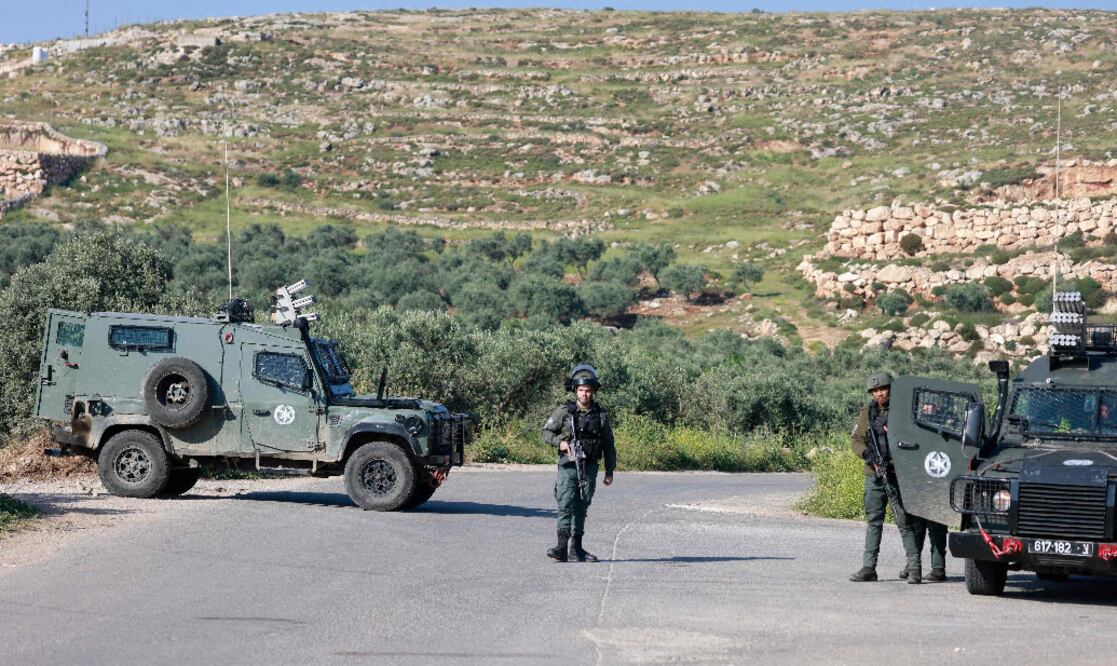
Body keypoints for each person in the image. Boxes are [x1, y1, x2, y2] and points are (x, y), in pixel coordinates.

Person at [849, 371, 924, 584]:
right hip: (874, 474)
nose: (879, 394)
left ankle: (914, 568)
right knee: (874, 521)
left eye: (883, 389)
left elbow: (915, 438)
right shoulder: (867, 412)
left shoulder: (903, 411)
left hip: (897, 473)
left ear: (891, 389)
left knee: (904, 522)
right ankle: (869, 568)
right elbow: (856, 440)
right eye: (875, 391)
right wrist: (867, 455)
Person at [542, 364, 616, 562]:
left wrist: (609, 471)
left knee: (582, 505)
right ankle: (561, 547)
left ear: (593, 391)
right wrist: (560, 443)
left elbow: (609, 444)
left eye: (588, 390)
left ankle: (576, 548)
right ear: (575, 390)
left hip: (590, 466)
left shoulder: (601, 415)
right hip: (568, 465)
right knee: (565, 502)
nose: (585, 394)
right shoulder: (564, 411)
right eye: (581, 390)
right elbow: (546, 432)